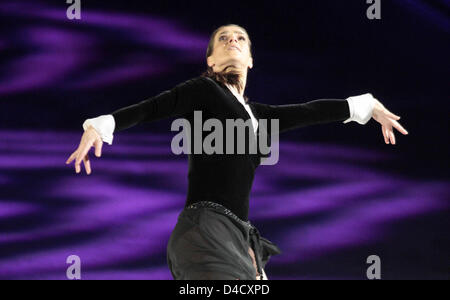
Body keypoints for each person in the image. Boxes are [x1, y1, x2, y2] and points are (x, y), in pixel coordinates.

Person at [65, 24, 408, 280]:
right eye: (223, 39)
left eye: (240, 38)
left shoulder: (259, 116)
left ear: (251, 59)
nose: (232, 40)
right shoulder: (203, 90)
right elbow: (154, 107)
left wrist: (367, 106)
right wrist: (100, 124)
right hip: (204, 232)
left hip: (240, 241)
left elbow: (311, 111)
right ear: (211, 60)